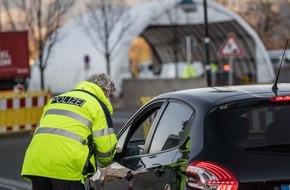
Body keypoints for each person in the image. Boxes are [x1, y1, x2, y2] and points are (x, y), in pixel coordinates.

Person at [21, 73, 118, 190]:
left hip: (36, 164)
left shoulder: (55, 99)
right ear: (105, 91)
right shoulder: (96, 105)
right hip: (66, 168)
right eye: (110, 96)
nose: (110, 100)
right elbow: (106, 154)